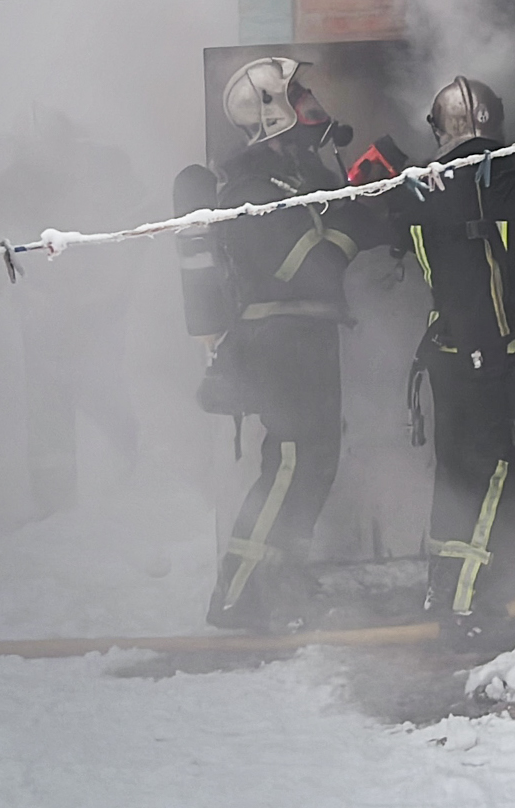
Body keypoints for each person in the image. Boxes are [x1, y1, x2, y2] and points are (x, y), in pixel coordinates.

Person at [401, 76, 515, 639]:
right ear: (497, 122)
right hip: (499, 365)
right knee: (491, 474)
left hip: (446, 359)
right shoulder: (514, 186)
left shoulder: (421, 191)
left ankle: (443, 588)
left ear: (439, 128)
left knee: (456, 477)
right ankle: (461, 610)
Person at [201, 56, 381, 631]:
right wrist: (358, 223)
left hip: (306, 339)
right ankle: (235, 596)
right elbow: (316, 268)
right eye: (299, 96)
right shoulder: (253, 192)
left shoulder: (297, 179)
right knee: (290, 464)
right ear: (274, 111)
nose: (313, 106)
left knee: (314, 464)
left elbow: (337, 223)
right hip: (279, 343)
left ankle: (281, 583)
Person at [0, 108, 146, 519]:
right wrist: (41, 296)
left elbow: (130, 234)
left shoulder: (107, 173)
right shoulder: (9, 188)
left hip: (99, 308)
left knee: (101, 384)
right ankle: (54, 504)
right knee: (47, 401)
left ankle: (128, 475)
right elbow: (7, 249)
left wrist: (104, 292)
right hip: (44, 312)